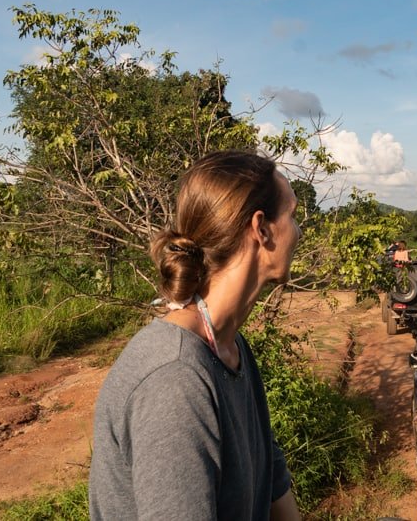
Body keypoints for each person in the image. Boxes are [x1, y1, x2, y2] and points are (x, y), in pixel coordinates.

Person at [89, 151, 302, 520]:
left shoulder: (230, 348)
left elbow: (273, 484)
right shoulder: (176, 380)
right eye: (293, 216)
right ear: (262, 229)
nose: (298, 231)